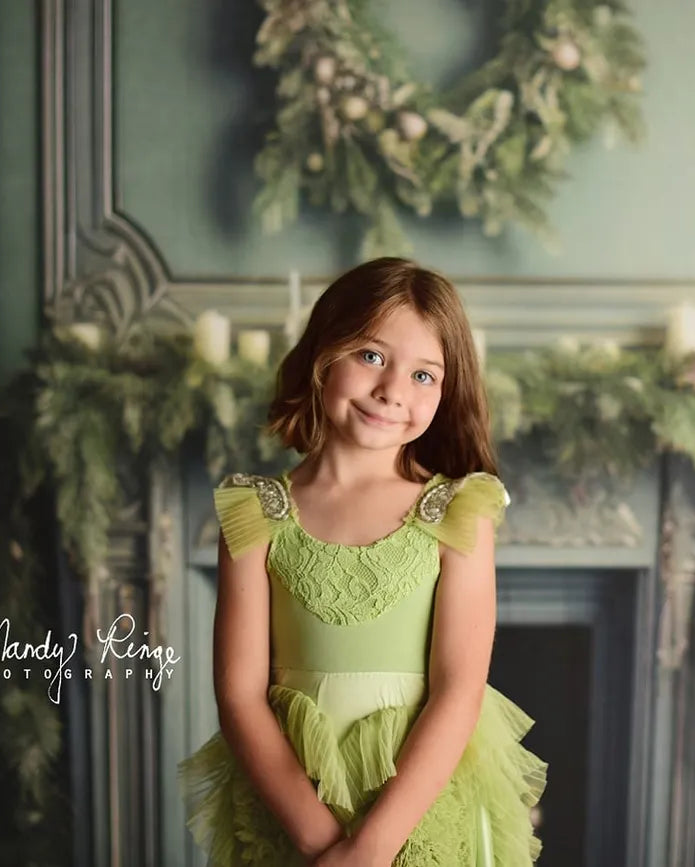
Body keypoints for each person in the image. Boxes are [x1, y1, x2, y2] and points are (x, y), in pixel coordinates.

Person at [178, 257, 547, 865]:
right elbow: (240, 694)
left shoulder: (458, 511)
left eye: (425, 375)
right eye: (372, 356)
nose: (392, 391)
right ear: (324, 354)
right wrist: (324, 844)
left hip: (421, 808)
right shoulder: (257, 512)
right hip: (294, 811)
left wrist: (371, 850)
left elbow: (460, 689)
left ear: (447, 391)